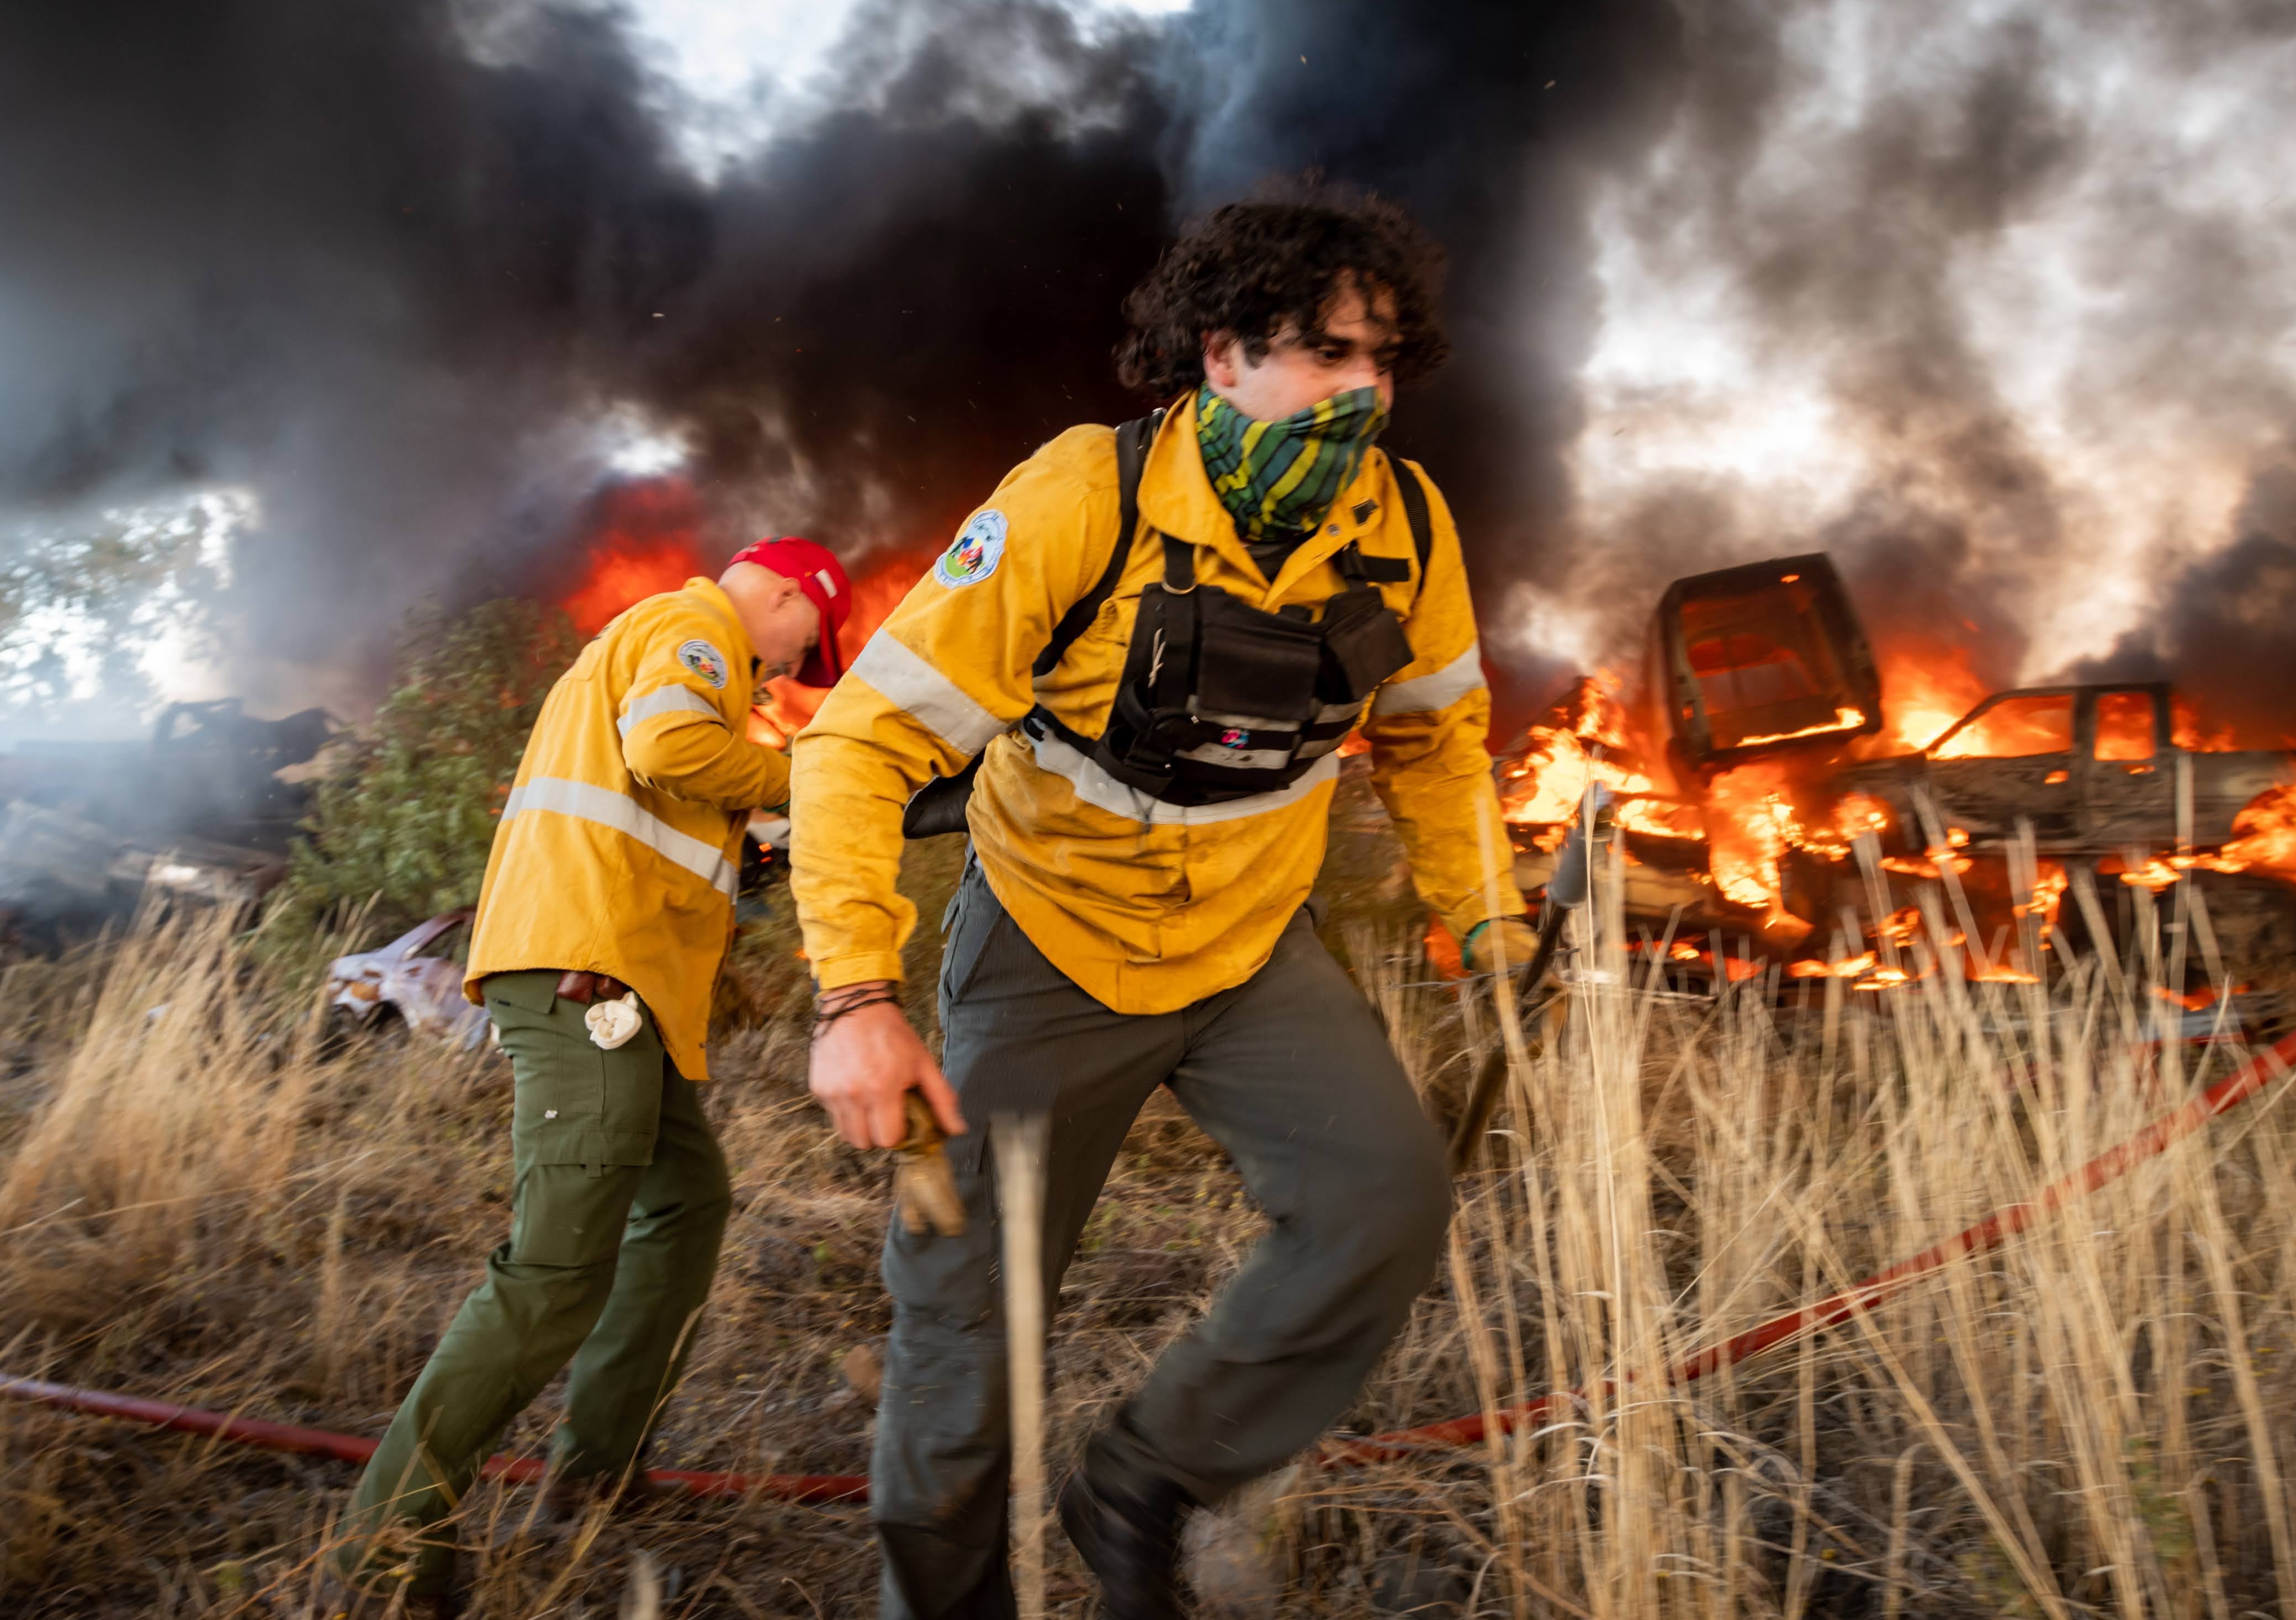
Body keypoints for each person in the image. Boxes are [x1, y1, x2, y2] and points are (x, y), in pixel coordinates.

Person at [791, 194, 1536, 1619]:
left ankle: (1143, 1477)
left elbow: (1438, 737)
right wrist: (855, 996)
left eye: (1382, 358)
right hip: (1048, 937)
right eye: (1322, 353)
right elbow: (857, 742)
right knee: (967, 1330)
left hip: (1254, 942)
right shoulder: (1089, 495)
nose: (1362, 390)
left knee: (1382, 1198)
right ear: (1219, 355)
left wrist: (1486, 917)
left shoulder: (1408, 527)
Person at [326, 537, 855, 1613]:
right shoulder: (693, 627)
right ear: (790, 597)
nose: (795, 672)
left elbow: (668, 802)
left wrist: (762, 833)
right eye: (809, 645)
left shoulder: (680, 646)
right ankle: (381, 1556)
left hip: (622, 991)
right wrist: (820, 771)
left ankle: (595, 1469)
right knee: (557, 1268)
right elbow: (667, 748)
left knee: (688, 1201)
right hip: (588, 979)